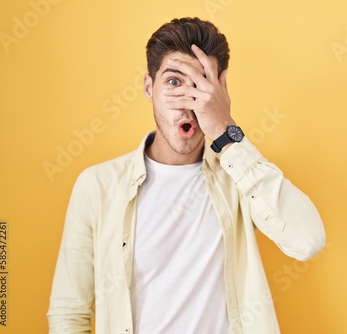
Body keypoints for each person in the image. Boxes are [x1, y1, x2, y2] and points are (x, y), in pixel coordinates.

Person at [47, 17, 325, 334]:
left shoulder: (240, 177)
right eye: (175, 82)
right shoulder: (97, 186)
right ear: (149, 88)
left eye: (202, 84)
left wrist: (225, 131)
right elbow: (69, 313)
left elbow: (308, 241)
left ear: (221, 90)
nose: (189, 102)